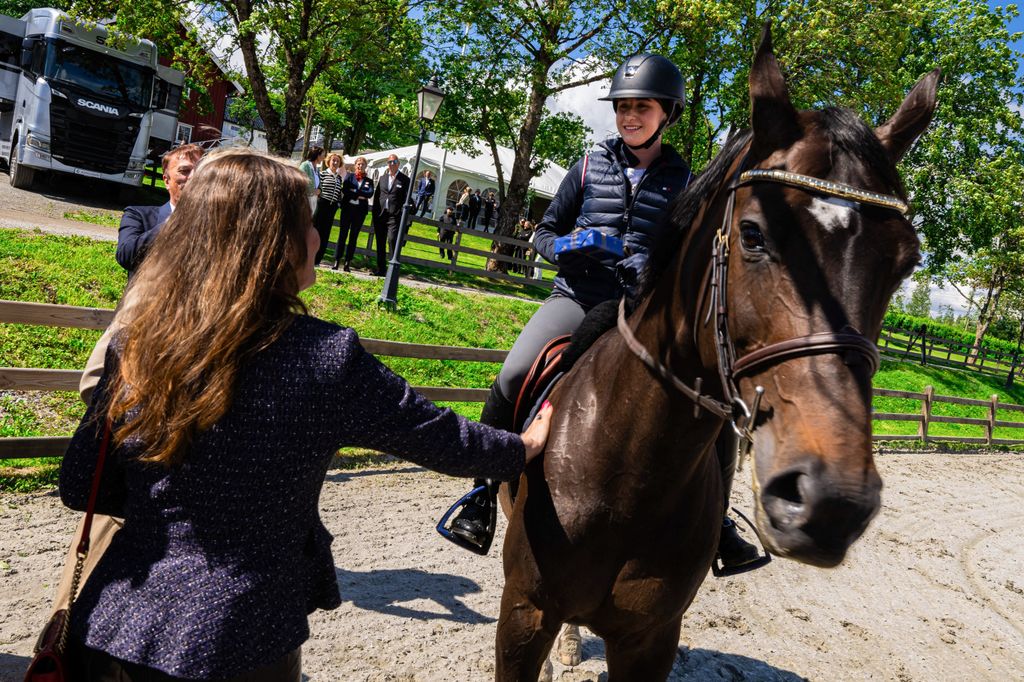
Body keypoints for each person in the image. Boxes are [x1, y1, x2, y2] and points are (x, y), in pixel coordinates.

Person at [58, 148, 553, 681]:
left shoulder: (137, 344)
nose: (317, 235)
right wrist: (520, 447)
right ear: (277, 244)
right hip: (240, 640)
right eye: (307, 222)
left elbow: (82, 483)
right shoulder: (325, 358)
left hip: (110, 630)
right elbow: (434, 434)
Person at [444, 54, 760, 570]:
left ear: (667, 113)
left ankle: (720, 522)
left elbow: (692, 255)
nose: (629, 116)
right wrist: (571, 246)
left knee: (716, 401)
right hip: (576, 298)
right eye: (622, 107)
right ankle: (480, 495)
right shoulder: (588, 165)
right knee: (514, 371)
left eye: (641, 107)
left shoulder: (684, 182)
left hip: (644, 311)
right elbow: (542, 233)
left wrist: (650, 265)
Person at [115, 144, 203, 280]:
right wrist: (177, 219)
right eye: (184, 170)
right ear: (167, 181)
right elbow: (126, 256)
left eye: (201, 171)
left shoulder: (217, 222)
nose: (193, 177)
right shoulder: (138, 215)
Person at [370, 154, 410, 276]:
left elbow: (407, 198)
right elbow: (377, 197)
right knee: (380, 242)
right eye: (390, 162)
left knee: (392, 240)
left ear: (398, 164)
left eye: (394, 162)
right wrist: (375, 213)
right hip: (381, 215)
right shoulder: (382, 178)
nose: (391, 164)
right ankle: (381, 269)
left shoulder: (405, 180)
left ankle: (392, 270)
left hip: (394, 216)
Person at [335, 156, 374, 271]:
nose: (360, 166)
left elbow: (370, 193)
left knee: (353, 237)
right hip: (347, 209)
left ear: (365, 166)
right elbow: (345, 190)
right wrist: (359, 194)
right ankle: (337, 261)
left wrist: (355, 192)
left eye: (362, 164)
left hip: (360, 212)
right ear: (355, 165)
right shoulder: (349, 177)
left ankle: (347, 263)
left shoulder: (369, 181)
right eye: (358, 164)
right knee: (342, 235)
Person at [313, 152, 344, 266]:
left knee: (325, 235)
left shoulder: (339, 178)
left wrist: (338, 203)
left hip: (332, 208)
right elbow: (317, 189)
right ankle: (310, 257)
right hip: (322, 205)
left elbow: (338, 193)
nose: (335, 163)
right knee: (316, 232)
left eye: (337, 161)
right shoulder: (322, 174)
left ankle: (318, 260)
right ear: (328, 162)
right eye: (333, 160)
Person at [298, 146, 324, 213]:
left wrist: (320, 190)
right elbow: (300, 182)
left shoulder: (317, 169)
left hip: (313, 199)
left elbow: (319, 184)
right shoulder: (305, 165)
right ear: (317, 155)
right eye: (322, 155)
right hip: (305, 200)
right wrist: (312, 191)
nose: (323, 158)